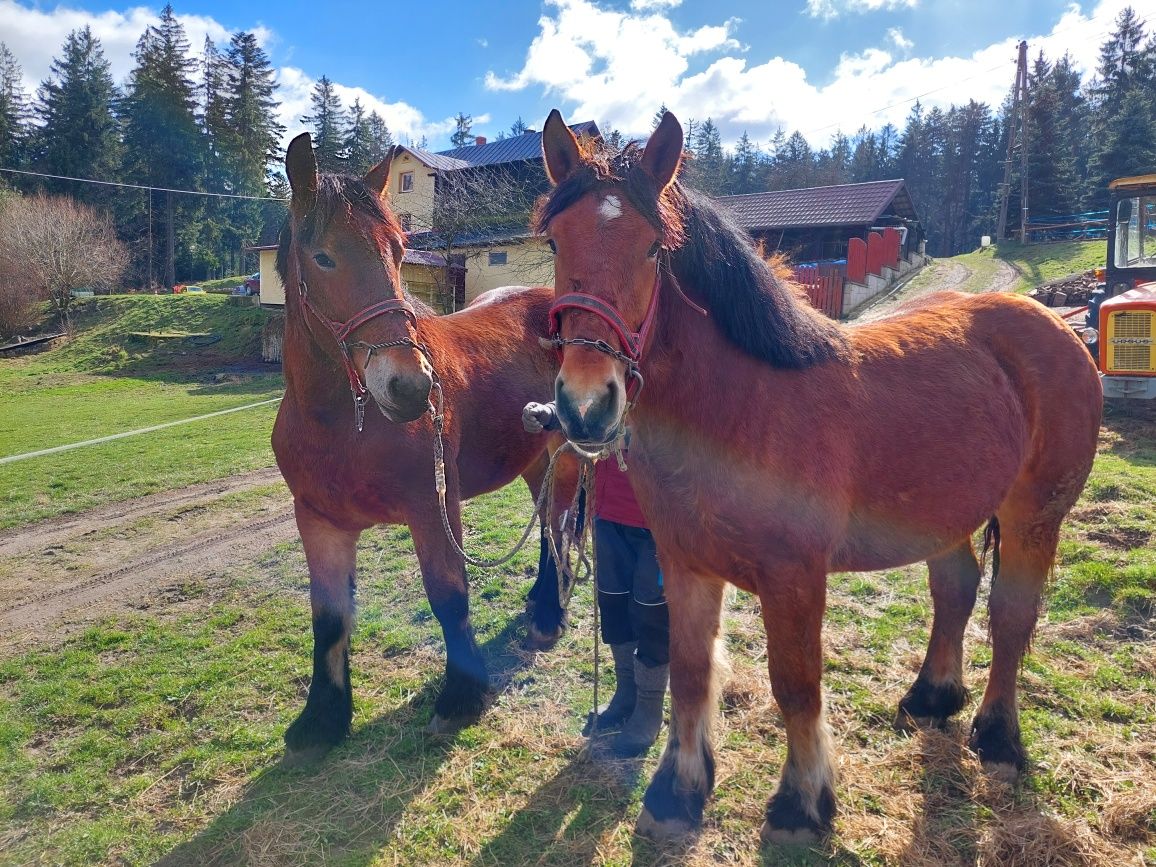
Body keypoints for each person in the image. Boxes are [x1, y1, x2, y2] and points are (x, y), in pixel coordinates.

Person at [523, 401, 669, 757]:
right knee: (614, 606)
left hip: (659, 522)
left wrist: (625, 435)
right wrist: (551, 413)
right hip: (608, 514)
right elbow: (584, 401)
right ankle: (625, 694)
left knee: (651, 614)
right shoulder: (612, 372)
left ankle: (649, 710)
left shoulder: (668, 373)